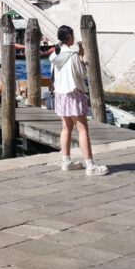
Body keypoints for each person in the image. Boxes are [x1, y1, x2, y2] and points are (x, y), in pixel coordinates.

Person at [49, 25, 108, 176]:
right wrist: (81, 57)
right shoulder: (72, 55)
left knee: (66, 128)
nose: (74, 37)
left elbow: (53, 75)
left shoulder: (55, 55)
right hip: (73, 93)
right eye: (72, 35)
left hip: (60, 95)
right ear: (69, 36)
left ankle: (66, 161)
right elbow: (82, 74)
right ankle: (90, 166)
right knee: (82, 129)